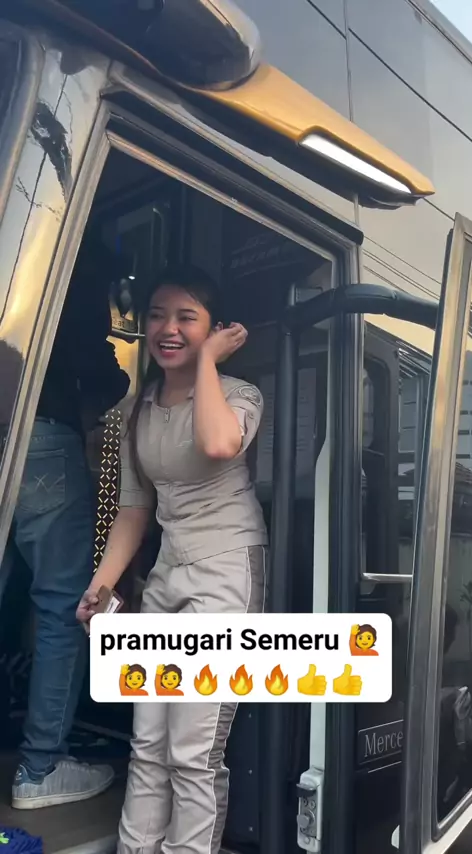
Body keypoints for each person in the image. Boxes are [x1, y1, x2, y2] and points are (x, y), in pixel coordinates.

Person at [76, 265, 268, 854]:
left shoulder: (239, 395)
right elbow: (134, 509)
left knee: (192, 749)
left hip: (226, 571)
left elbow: (218, 443)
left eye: (187, 317)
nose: (168, 329)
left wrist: (206, 363)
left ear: (214, 328)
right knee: (147, 743)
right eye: (157, 315)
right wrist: (100, 588)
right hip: (167, 577)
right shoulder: (137, 409)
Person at [0, 235, 130, 809]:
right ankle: (41, 768)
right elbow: (87, 355)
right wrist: (116, 385)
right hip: (41, 433)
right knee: (62, 605)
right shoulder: (72, 253)